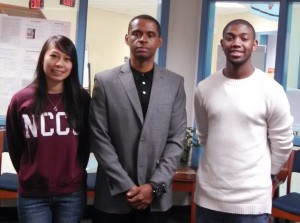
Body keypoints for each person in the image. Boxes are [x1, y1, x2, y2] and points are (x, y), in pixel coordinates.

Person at [194, 19, 294, 223]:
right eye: (230, 38)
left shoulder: (271, 90)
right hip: (208, 198)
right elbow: (204, 136)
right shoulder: (204, 88)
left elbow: (283, 143)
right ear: (222, 44)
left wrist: (269, 176)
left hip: (252, 203)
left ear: (254, 44)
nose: (236, 43)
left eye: (244, 38)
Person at [89, 14, 187, 223]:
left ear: (159, 41)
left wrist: (154, 186)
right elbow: (99, 138)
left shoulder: (174, 83)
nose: (143, 39)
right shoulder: (105, 81)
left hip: (157, 200)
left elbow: (176, 139)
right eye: (137, 34)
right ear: (127, 39)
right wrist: (127, 186)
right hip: (112, 197)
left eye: (150, 35)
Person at [6, 35, 91, 223]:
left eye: (67, 59)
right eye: (54, 56)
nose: (60, 63)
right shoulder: (21, 100)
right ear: (42, 58)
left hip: (72, 193)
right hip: (32, 195)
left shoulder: (82, 100)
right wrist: (30, 174)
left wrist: (73, 172)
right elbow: (15, 147)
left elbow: (85, 144)